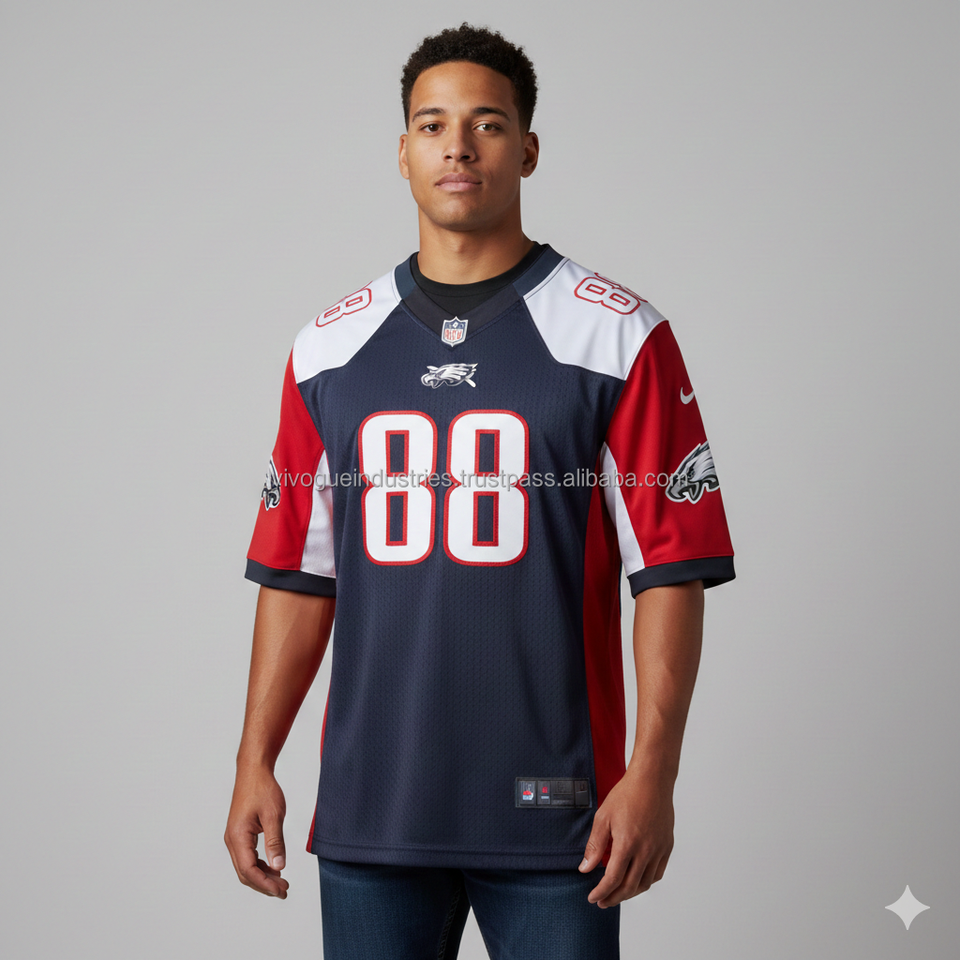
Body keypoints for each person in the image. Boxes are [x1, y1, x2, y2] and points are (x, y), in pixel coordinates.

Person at [225, 22, 735, 959]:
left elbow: (672, 569)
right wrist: (255, 759)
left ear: (528, 149)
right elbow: (299, 575)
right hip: (375, 806)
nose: (458, 146)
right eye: (433, 125)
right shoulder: (327, 350)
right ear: (404, 152)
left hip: (558, 810)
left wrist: (653, 775)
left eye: (487, 124)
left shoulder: (619, 336)